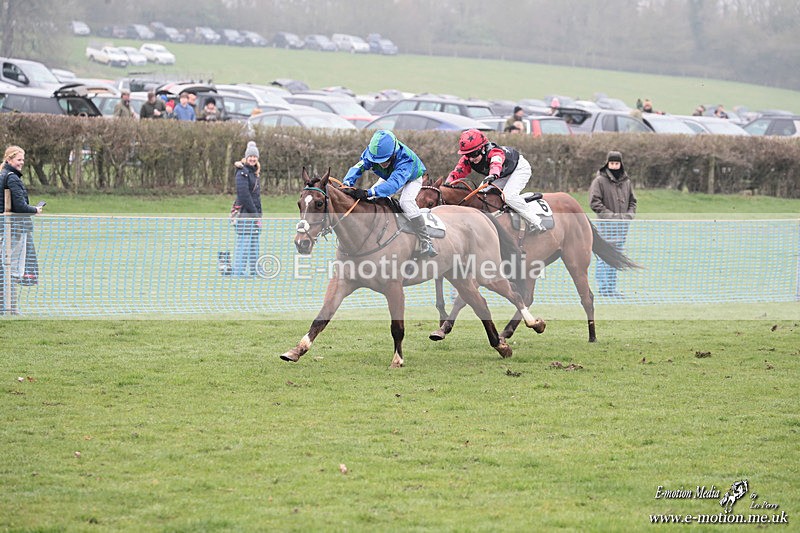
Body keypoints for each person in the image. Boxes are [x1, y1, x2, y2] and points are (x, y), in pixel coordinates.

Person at [342, 129, 437, 258]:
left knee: (406, 202)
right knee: (372, 199)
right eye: (378, 161)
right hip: (391, 176)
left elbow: (393, 185)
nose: (382, 164)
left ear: (393, 153)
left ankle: (426, 240)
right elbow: (358, 167)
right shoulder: (372, 153)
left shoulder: (405, 159)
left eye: (385, 160)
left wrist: (368, 192)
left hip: (411, 178)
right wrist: (347, 182)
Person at [445, 128, 545, 232]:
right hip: (500, 174)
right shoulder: (468, 159)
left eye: (473, 154)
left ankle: (536, 222)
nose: (471, 159)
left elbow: (496, 163)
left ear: (482, 148)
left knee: (509, 197)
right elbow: (456, 173)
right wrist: (447, 183)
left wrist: (493, 174)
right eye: (467, 155)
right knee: (479, 196)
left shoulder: (494, 151)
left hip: (518, 169)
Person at [588, 151, 637, 298]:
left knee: (616, 256)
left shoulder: (627, 182)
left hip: (622, 227)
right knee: (604, 257)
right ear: (607, 164)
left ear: (620, 164)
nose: (614, 166)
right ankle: (604, 288)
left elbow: (633, 202)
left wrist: (628, 216)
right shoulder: (599, 181)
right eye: (612, 163)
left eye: (617, 163)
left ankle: (611, 288)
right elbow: (595, 202)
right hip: (606, 227)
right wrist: (612, 217)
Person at [1, 146, 43, 291]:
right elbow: (20, 206)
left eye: (23, 160)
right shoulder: (12, 178)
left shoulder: (2, 175)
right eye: (19, 159)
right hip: (15, 228)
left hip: (6, 226)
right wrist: (35, 210)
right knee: (13, 268)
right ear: (9, 159)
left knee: (5, 263)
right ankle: (9, 301)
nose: (22, 163)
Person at [231, 141, 262, 277]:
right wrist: (255, 214)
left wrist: (258, 215)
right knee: (244, 243)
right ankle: (238, 271)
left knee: (254, 243)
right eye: (250, 156)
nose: (252, 159)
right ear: (246, 157)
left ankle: (255, 270)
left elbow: (256, 197)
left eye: (255, 156)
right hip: (245, 214)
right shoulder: (242, 172)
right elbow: (244, 196)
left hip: (254, 214)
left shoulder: (254, 173)